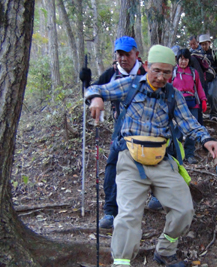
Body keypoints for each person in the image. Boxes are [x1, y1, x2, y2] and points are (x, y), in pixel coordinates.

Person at [85, 45, 217, 267]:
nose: (160, 77)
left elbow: (188, 123)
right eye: (156, 70)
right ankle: (121, 263)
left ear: (173, 72)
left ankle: (165, 252)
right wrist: (96, 98)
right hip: (130, 161)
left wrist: (207, 140)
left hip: (161, 161)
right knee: (128, 217)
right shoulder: (130, 86)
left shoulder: (173, 95)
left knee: (184, 209)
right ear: (147, 66)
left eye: (166, 72)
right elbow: (96, 89)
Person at [80, 36, 160, 229]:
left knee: (158, 160)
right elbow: (94, 91)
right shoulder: (111, 74)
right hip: (121, 129)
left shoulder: (147, 72)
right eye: (119, 54)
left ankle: (157, 196)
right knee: (112, 166)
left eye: (127, 54)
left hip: (149, 128)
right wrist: (86, 84)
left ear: (136, 54)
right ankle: (110, 211)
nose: (123, 58)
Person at [170, 48, 207, 164]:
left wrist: (203, 99)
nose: (183, 61)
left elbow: (199, 87)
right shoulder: (173, 72)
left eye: (185, 59)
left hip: (192, 103)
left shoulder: (193, 72)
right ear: (177, 59)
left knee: (192, 129)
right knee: (178, 130)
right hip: (177, 105)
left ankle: (189, 154)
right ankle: (175, 153)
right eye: (181, 59)